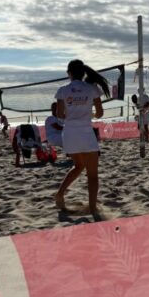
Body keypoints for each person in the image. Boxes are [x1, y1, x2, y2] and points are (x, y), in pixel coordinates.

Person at [54, 59, 110, 217]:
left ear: (69, 73)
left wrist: (74, 114)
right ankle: (92, 209)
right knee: (92, 175)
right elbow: (99, 114)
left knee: (78, 166)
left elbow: (60, 115)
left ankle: (59, 194)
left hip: (70, 133)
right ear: (83, 72)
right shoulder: (92, 88)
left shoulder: (62, 90)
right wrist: (87, 114)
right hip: (85, 132)